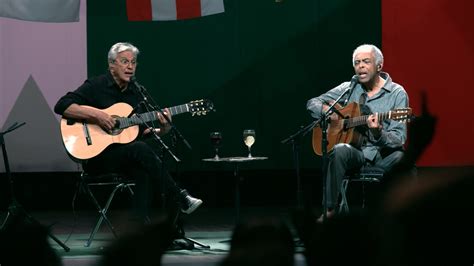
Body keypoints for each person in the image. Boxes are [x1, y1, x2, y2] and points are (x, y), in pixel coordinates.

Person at [54, 42, 202, 223]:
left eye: (133, 62)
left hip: (124, 156)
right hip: (96, 158)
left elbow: (138, 132)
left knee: (142, 167)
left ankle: (140, 228)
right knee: (140, 151)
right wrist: (98, 115)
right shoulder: (96, 84)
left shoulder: (136, 93)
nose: (130, 66)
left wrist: (163, 129)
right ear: (112, 64)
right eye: (124, 61)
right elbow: (62, 105)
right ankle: (180, 196)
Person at [306, 44, 409, 222]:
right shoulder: (349, 87)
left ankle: (398, 214)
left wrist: (378, 133)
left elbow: (399, 139)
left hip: (380, 155)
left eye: (366, 61)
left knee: (401, 158)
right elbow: (312, 103)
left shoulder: (396, 93)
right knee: (339, 150)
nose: (360, 66)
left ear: (379, 65)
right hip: (356, 153)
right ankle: (329, 211)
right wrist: (328, 113)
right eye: (357, 62)